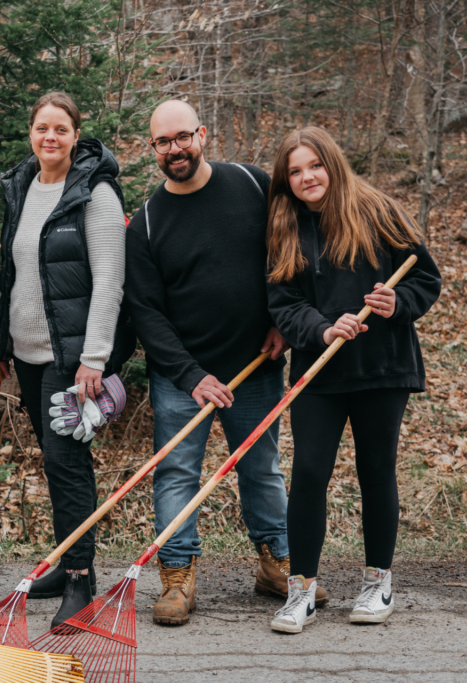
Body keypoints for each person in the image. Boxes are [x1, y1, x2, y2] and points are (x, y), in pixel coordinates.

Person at [125, 100, 321, 626]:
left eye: (182, 137)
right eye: (163, 142)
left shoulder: (253, 185)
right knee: (176, 474)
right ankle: (177, 574)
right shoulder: (145, 222)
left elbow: (290, 250)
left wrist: (284, 317)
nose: (175, 149)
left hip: (255, 365)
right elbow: (147, 313)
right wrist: (192, 376)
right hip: (181, 377)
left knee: (261, 469)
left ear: (202, 134)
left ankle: (277, 564)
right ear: (154, 149)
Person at [264, 127, 441, 634]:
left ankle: (377, 582)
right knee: (309, 475)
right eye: (295, 171)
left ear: (331, 164)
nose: (306, 178)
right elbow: (283, 305)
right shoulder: (285, 226)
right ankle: (301, 590)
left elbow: (426, 280)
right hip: (319, 373)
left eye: (313, 166)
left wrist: (396, 304)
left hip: (382, 367)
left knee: (376, 470)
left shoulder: (379, 210)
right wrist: (321, 328)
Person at [0, 92, 129, 625]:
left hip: (69, 357)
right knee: (52, 461)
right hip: (25, 354)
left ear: (75, 135)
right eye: (42, 128)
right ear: (32, 133)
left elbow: (109, 282)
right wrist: (2, 343)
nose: (50, 138)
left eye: (61, 130)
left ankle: (80, 580)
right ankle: (69, 561)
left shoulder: (95, 194)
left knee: (66, 463)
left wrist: (94, 357)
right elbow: (15, 274)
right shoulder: (23, 185)